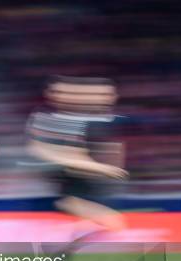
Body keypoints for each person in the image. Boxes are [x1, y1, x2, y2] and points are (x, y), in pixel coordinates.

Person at [26, 75, 128, 240]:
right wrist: (99, 167)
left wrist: (99, 166)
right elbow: (45, 153)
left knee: (112, 223)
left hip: (83, 189)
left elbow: (78, 154)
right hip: (63, 192)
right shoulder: (44, 119)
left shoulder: (85, 121)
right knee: (113, 222)